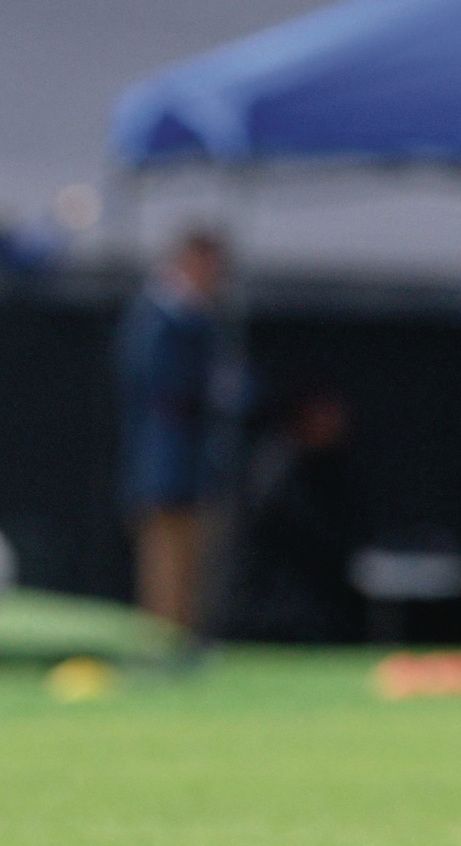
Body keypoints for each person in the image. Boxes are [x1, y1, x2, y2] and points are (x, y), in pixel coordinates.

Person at [115, 229, 235, 633]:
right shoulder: (159, 314)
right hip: (163, 464)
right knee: (163, 563)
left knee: (195, 563)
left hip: (194, 465)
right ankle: (160, 642)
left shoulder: (197, 316)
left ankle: (184, 640)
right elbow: (157, 382)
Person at [221, 385, 362, 642]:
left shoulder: (313, 465)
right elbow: (309, 537)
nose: (337, 425)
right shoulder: (277, 468)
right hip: (266, 615)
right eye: (327, 414)